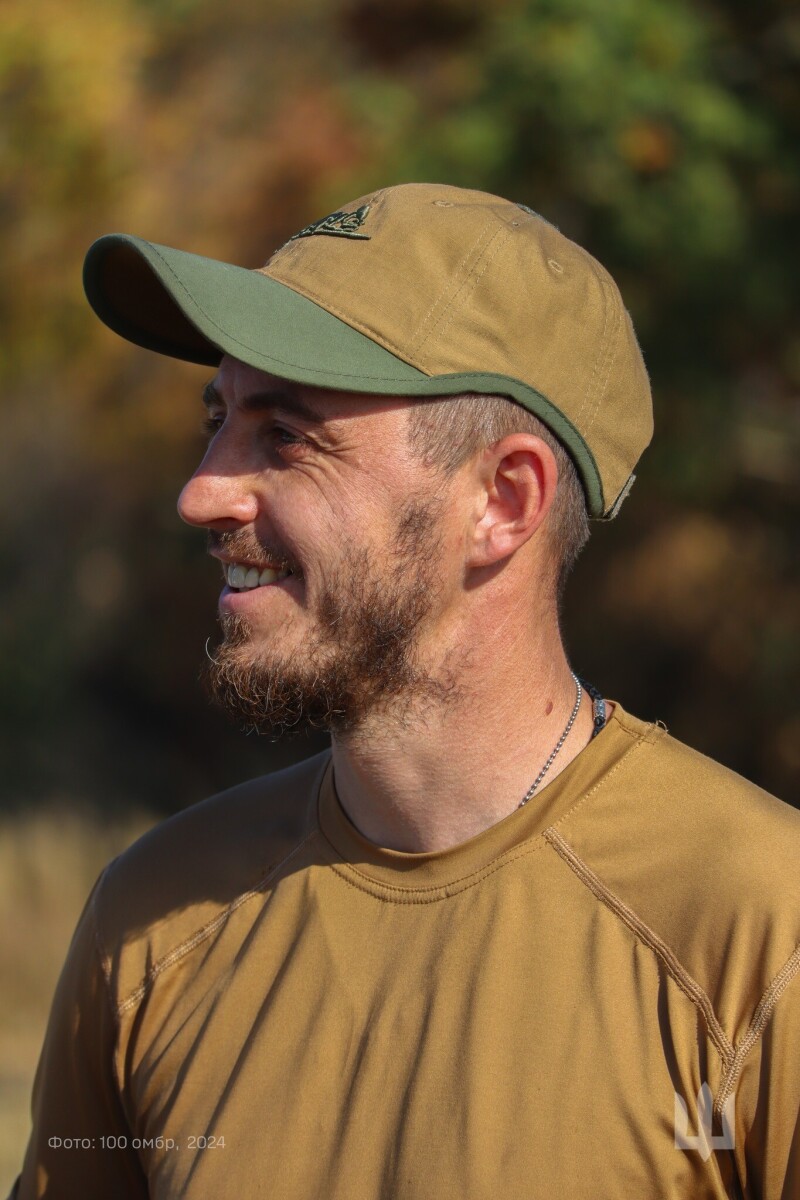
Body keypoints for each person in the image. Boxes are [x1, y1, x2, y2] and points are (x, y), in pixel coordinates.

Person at [11, 184, 799, 1199]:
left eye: (286, 435)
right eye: (218, 419)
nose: (201, 491)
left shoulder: (757, 930)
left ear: (501, 501)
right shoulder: (151, 918)